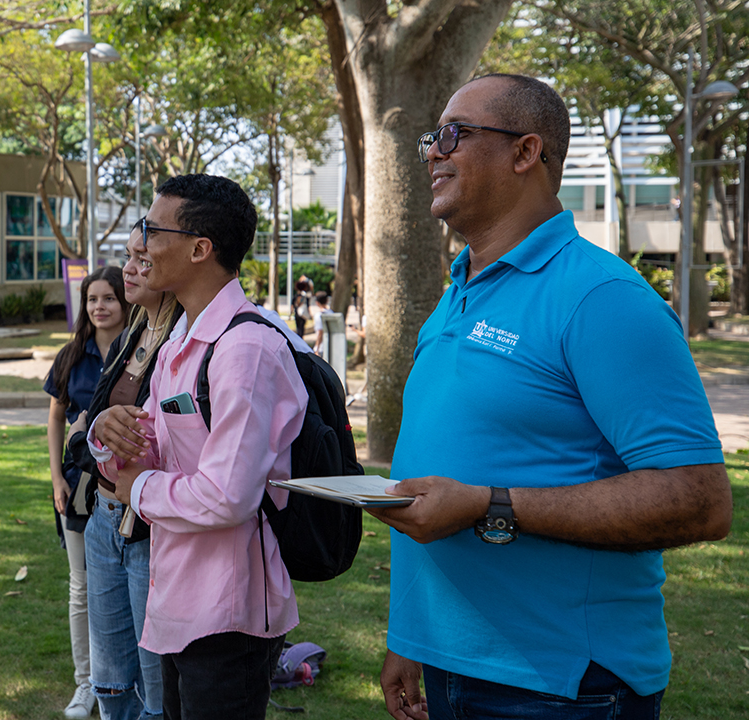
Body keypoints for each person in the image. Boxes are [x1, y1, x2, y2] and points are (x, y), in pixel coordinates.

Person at [367, 74, 732, 720]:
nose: (432, 153)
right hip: (452, 667)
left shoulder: (600, 298)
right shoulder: (454, 296)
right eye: (432, 138)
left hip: (563, 687)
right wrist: (410, 635)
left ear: (525, 152)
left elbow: (700, 500)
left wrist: (491, 505)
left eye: (454, 135)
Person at [91, 174, 306, 720]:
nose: (142, 245)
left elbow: (226, 497)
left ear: (199, 249)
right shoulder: (181, 341)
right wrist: (107, 436)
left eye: (152, 229)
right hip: (177, 600)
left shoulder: (246, 348)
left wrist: (136, 486)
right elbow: (152, 451)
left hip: (229, 613)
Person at [66, 224, 179, 720]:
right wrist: (94, 438)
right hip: (102, 520)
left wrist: (94, 437)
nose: (130, 268)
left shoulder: (185, 342)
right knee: (110, 684)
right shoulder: (131, 336)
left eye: (142, 257)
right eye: (128, 256)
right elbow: (79, 436)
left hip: (149, 530)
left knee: (154, 690)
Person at [44, 265, 130, 719]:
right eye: (92, 299)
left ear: (125, 301)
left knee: (123, 586)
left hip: (128, 488)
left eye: (108, 298)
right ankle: (87, 685)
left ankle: (122, 681)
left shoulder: (139, 350)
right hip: (76, 488)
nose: (99, 307)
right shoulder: (71, 355)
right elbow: (57, 415)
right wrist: (56, 477)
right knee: (81, 588)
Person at [310, 291, 331, 357]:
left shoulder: (319, 315)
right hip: (331, 345)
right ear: (327, 301)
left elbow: (320, 332)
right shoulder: (331, 313)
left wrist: (317, 348)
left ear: (317, 303)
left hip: (322, 347)